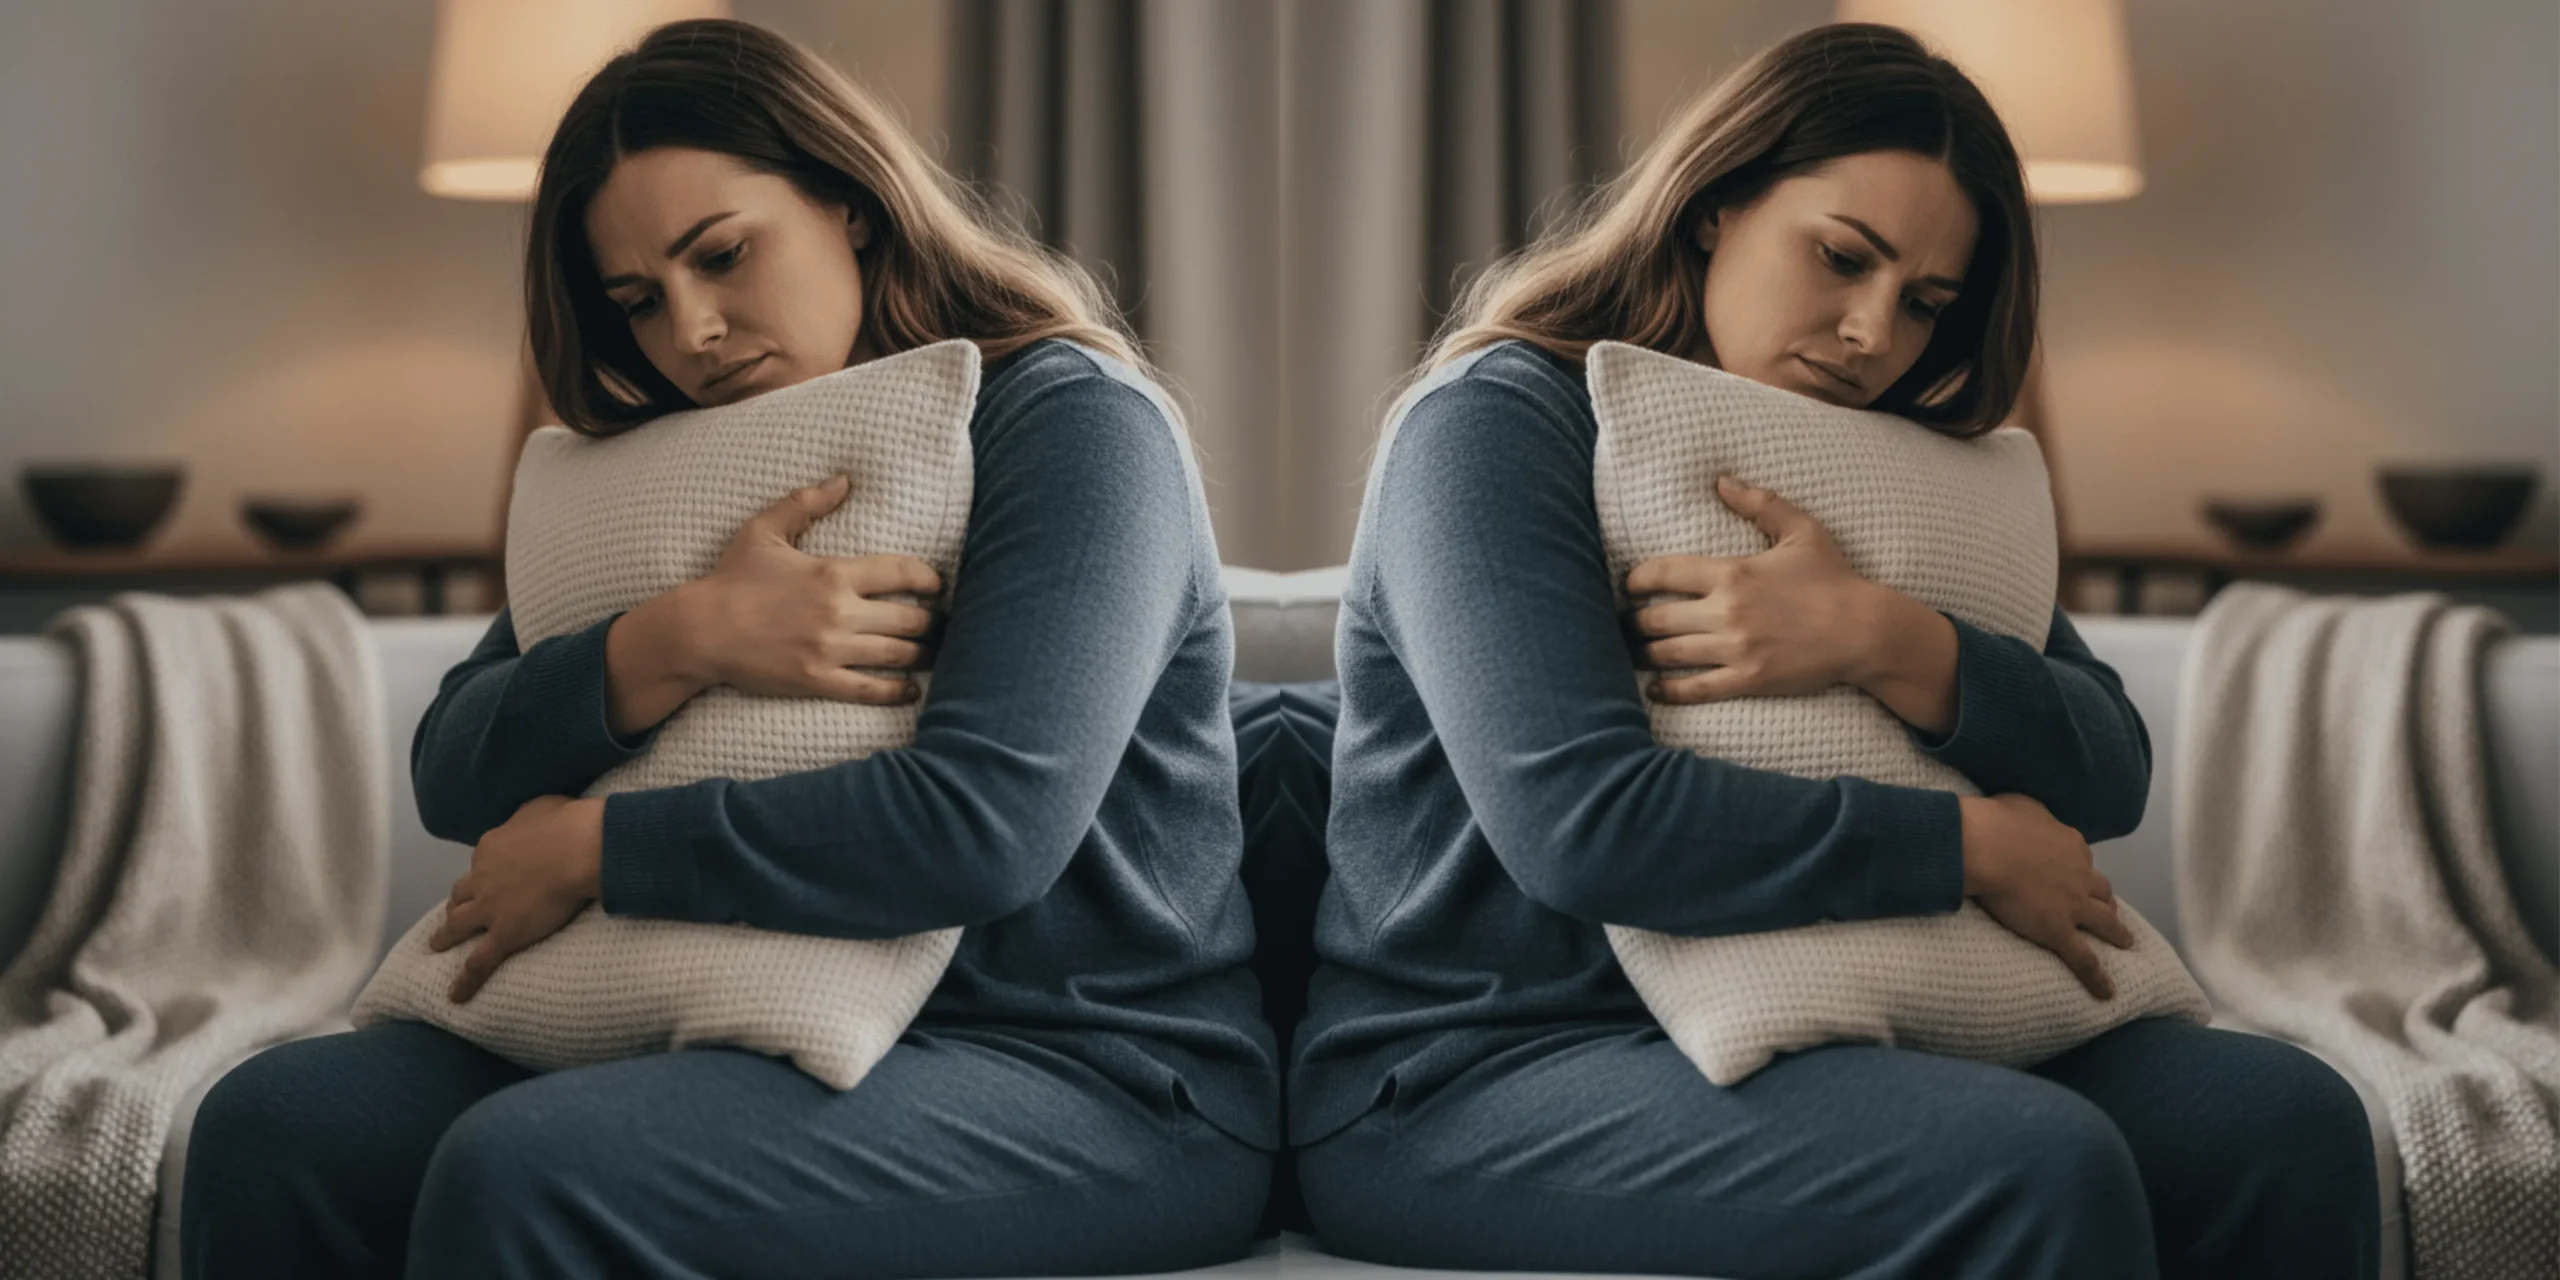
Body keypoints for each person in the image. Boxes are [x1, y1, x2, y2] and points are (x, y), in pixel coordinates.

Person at [182, 19, 1274, 1277]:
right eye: (638, 301)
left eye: (724, 255)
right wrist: (676, 638)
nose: (690, 334)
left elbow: (985, 826)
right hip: (720, 1015)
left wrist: (599, 849)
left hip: (1087, 1071)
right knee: (273, 1123)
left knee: (528, 1168)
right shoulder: (704, 455)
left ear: (849, 202)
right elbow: (450, 767)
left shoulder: (1078, 427)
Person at [1289, 22, 2379, 1280]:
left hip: (1843, 1010)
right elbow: (1581, 825)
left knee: (2286, 1119)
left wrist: (1885, 635)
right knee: (2034, 1163)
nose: (1873, 335)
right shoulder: (1491, 428)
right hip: (1477, 1066)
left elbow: (2111, 765)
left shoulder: (1861, 455)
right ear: (1715, 205)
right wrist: (1966, 849)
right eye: (1840, 258)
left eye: (1925, 303)